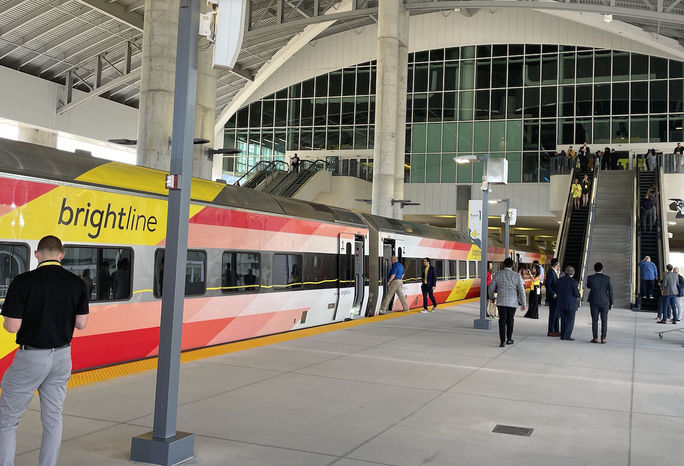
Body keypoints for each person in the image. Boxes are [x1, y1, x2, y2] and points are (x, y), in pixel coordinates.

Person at [0, 235, 89, 466]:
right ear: (62, 255)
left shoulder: (23, 281)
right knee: (53, 419)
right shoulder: (77, 283)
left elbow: (12, 327)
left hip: (31, 357)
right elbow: (81, 324)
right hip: (62, 356)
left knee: (8, 420)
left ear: (37, 254)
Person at [488, 257, 526, 348]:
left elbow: (491, 288)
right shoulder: (516, 275)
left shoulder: (498, 274)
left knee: (502, 321)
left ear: (503, 264)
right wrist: (523, 303)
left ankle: (502, 341)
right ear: (512, 265)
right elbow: (521, 290)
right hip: (512, 303)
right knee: (510, 320)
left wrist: (491, 297)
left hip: (501, 302)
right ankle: (509, 338)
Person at [586, 262, 613, 344]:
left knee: (594, 320)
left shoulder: (590, 278)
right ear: (602, 269)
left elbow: (588, 286)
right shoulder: (607, 278)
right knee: (604, 320)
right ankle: (603, 338)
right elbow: (610, 291)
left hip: (594, 301)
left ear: (594, 269)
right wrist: (611, 302)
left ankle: (595, 338)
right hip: (605, 301)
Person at [557, 266, 580, 340]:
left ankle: (562, 335)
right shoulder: (574, 282)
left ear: (565, 272)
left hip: (561, 303)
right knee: (569, 321)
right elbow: (576, 294)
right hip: (571, 304)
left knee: (563, 320)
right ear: (573, 273)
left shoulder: (559, 280)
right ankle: (566, 336)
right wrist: (580, 293)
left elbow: (556, 289)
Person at [546, 258, 561, 337]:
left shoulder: (555, 272)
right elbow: (547, 284)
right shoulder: (551, 272)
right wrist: (553, 293)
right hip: (553, 297)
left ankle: (556, 330)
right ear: (557, 264)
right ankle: (551, 331)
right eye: (559, 264)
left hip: (557, 297)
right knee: (553, 314)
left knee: (556, 314)